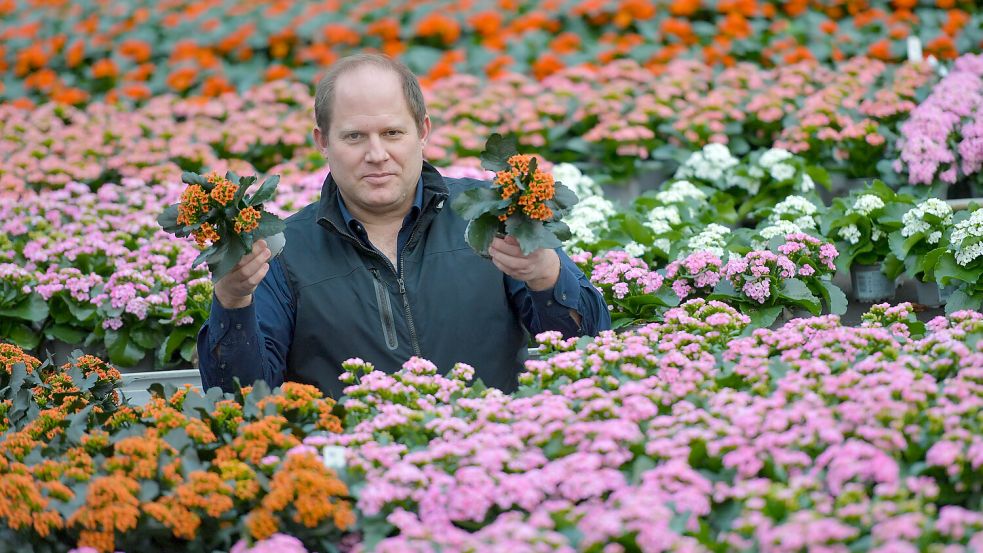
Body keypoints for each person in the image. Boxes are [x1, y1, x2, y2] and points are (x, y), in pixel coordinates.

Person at [197, 53, 610, 398]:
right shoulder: (280, 251)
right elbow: (242, 399)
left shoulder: (490, 215)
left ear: (423, 131)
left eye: (392, 132)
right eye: (355, 137)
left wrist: (546, 277)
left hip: (492, 461)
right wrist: (232, 301)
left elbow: (591, 348)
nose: (377, 154)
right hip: (351, 474)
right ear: (322, 142)